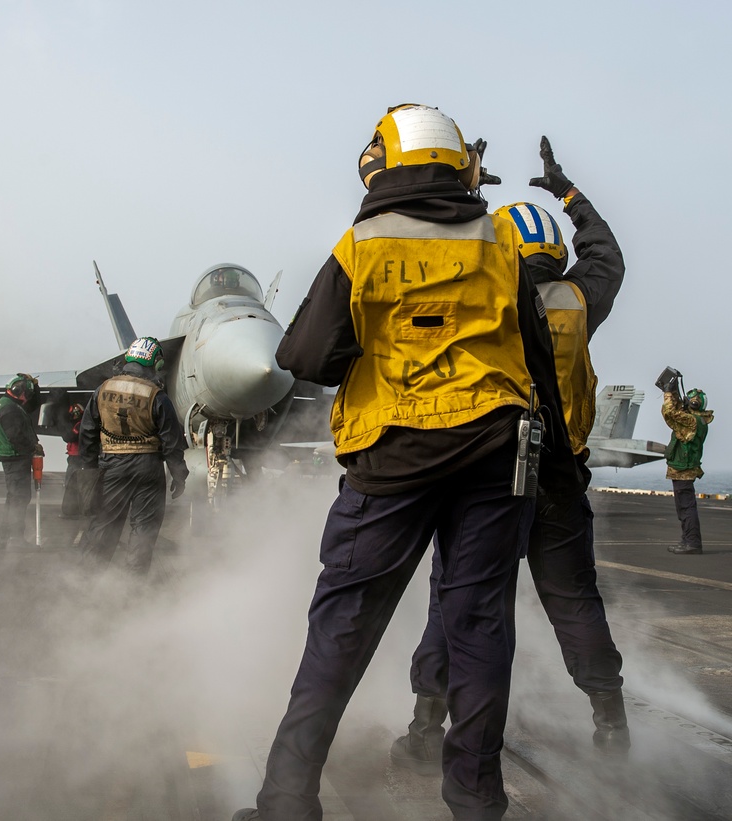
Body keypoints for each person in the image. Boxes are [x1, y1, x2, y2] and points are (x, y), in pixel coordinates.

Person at [231, 104, 582, 821]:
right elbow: (541, 367)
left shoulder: (363, 241)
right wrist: (563, 481)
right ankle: (477, 802)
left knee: (341, 632)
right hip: (495, 459)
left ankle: (287, 801)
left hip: (392, 459)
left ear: (382, 161)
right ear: (460, 164)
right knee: (480, 629)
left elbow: (302, 356)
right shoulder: (498, 242)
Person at [390, 138, 630, 779]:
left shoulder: (483, 296)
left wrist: (466, 187)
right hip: (559, 482)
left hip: (485, 477)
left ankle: (423, 729)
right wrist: (568, 191)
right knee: (576, 601)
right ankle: (612, 727)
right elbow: (605, 254)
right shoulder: (579, 303)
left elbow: (444, 248)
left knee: (456, 601)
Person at [76, 336, 189, 575]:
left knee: (104, 524)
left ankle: (85, 585)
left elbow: (87, 432)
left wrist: (88, 469)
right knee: (144, 529)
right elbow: (172, 442)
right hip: (148, 469)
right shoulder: (157, 396)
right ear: (155, 363)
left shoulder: (102, 390)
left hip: (112, 467)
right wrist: (179, 476)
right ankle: (133, 591)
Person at [0, 373, 44, 550]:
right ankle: (15, 540)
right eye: (25, 394)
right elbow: (15, 436)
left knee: (14, 498)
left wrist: (35, 387)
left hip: (14, 458)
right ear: (17, 391)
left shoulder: (11, 404)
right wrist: (33, 447)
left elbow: (33, 405)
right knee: (19, 499)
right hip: (15, 459)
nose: (26, 398)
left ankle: (7, 539)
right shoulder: (10, 411)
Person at [661, 381, 713, 554]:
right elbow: (677, 413)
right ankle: (687, 541)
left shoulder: (692, 421)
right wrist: (673, 394)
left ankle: (692, 543)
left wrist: (668, 394)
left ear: (693, 403)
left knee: (686, 506)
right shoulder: (697, 419)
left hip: (683, 469)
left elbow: (669, 414)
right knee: (683, 507)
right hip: (682, 468)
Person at [59, 403, 85, 518]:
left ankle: (72, 510)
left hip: (78, 457)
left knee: (72, 483)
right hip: (76, 456)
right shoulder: (80, 424)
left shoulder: (78, 425)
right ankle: (73, 509)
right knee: (73, 483)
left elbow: (69, 437)